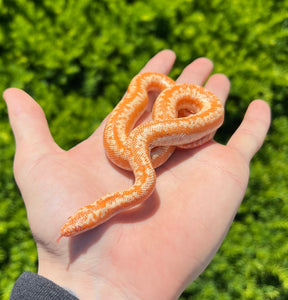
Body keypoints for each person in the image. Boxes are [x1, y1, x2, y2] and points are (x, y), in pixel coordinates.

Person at [5, 50, 271, 300]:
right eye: (80, 224)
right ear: (98, 214)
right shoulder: (142, 182)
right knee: (147, 137)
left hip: (171, 119)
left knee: (148, 133)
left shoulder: (142, 174)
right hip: (163, 126)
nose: (74, 227)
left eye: (79, 223)